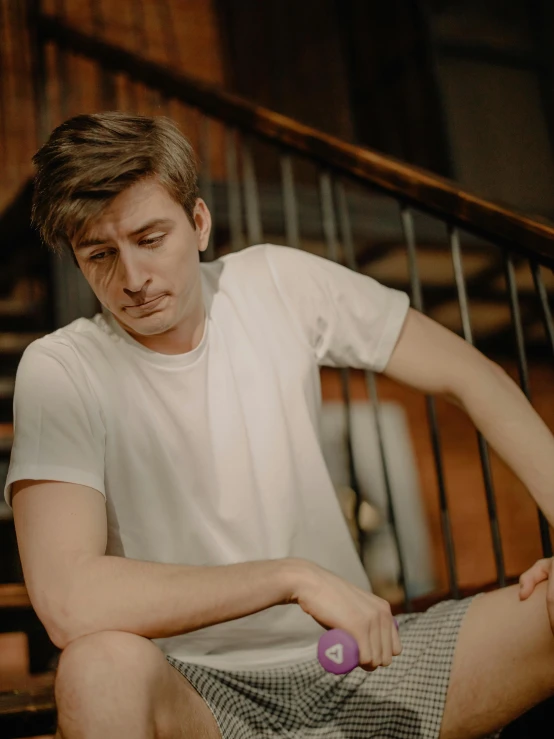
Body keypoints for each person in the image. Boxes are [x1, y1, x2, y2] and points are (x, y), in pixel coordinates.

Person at [4, 111, 554, 739]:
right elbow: (70, 600)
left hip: (363, 663)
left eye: (150, 238)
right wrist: (290, 578)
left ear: (200, 222)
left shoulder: (275, 284)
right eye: (100, 254)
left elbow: (471, 374)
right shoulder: (61, 368)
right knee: (95, 668)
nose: (132, 279)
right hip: (196, 694)